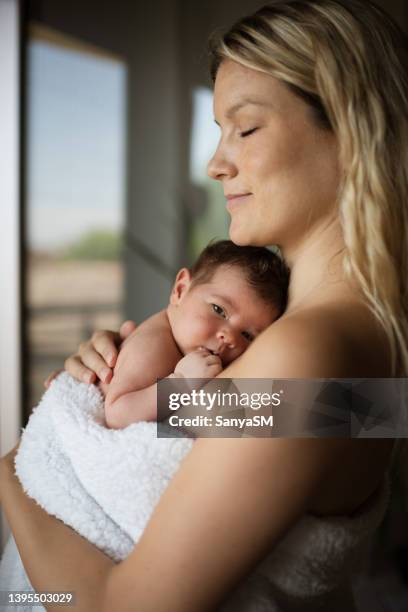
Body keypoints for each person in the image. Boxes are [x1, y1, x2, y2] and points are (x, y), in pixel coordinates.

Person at [1, 1, 407, 610]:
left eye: (244, 127)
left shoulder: (308, 349)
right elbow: (260, 436)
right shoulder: (340, 337)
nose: (216, 164)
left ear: (349, 130)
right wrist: (112, 379)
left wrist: (14, 470)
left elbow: (123, 608)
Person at [101, 240, 288, 429]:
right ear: (180, 290)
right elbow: (117, 414)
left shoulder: (181, 342)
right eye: (219, 310)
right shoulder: (153, 346)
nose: (230, 337)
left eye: (247, 335)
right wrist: (181, 383)